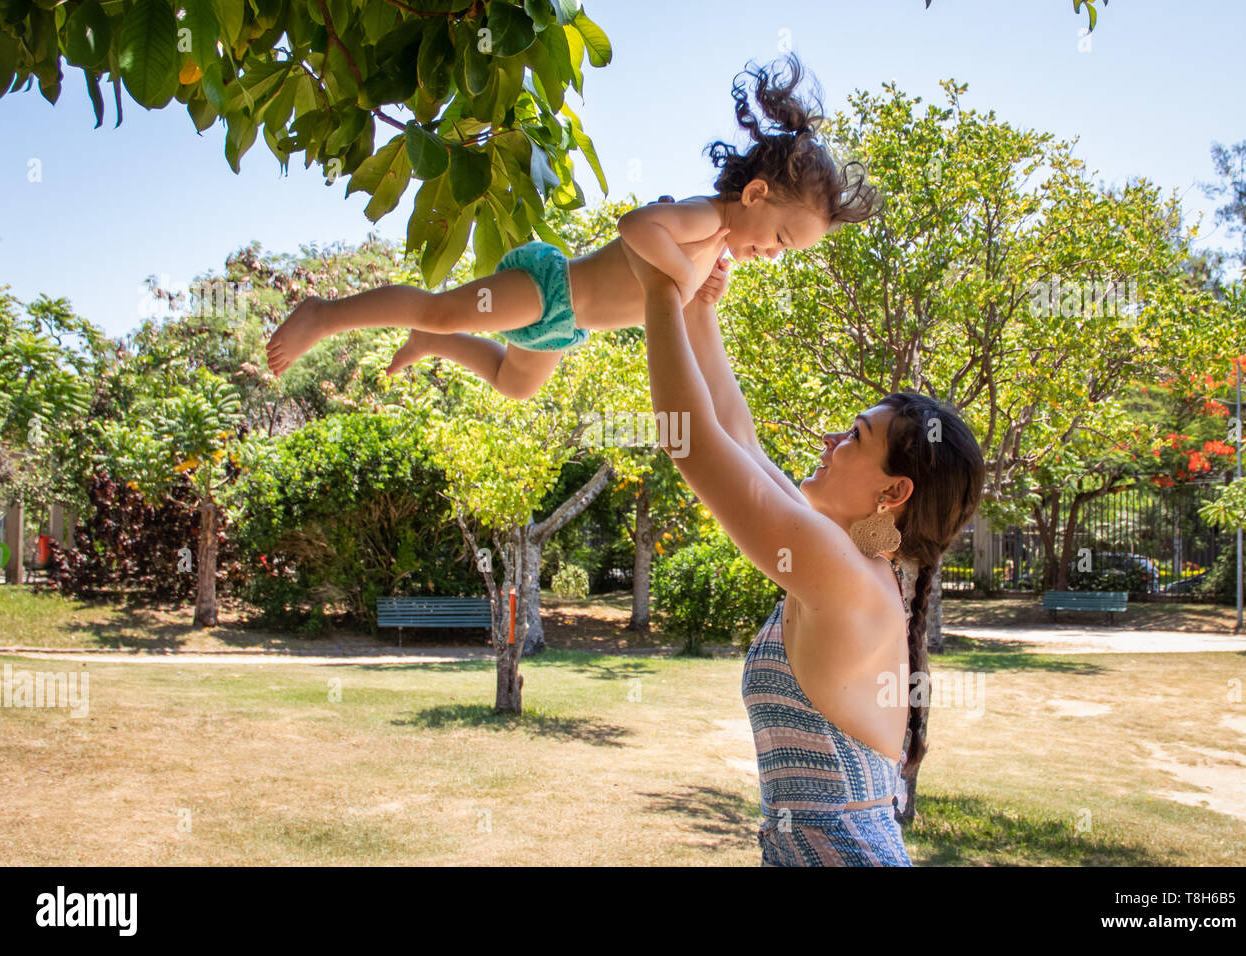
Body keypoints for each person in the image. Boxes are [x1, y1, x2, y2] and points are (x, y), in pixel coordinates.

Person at [623, 229, 985, 866]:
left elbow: (691, 444)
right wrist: (698, 310)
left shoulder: (841, 571)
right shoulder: (846, 563)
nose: (828, 438)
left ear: (893, 491)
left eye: (853, 435)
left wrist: (658, 288)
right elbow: (737, 437)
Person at [264, 52, 879, 400]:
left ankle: (432, 346)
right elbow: (636, 225)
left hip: (563, 329)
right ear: (755, 193)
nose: (771, 254)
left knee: (513, 384)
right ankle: (328, 314)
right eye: (779, 239)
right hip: (549, 288)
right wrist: (683, 275)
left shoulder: (715, 246)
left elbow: (674, 304)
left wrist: (702, 290)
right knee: (441, 308)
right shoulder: (703, 216)